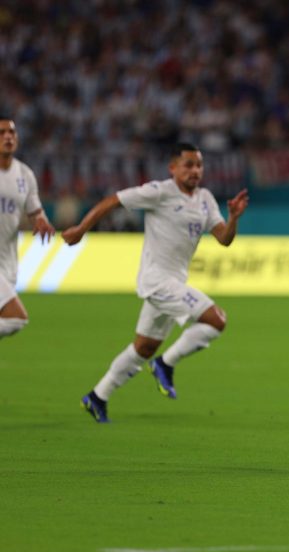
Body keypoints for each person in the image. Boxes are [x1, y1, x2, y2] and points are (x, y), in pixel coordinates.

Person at [62, 143, 248, 423]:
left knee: (144, 347)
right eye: (188, 164)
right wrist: (80, 229)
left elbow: (224, 238)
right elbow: (113, 200)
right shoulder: (159, 192)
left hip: (174, 281)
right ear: (172, 168)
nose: (195, 170)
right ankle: (166, 363)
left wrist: (233, 218)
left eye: (199, 165)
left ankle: (97, 397)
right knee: (216, 320)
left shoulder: (206, 199)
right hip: (157, 280)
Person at [0, 117, 55, 340]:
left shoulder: (25, 175)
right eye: (2, 132)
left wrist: (41, 220)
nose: (8, 137)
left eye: (12, 132)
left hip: (8, 263)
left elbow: (35, 211)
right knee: (16, 318)